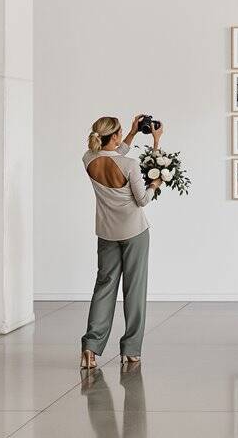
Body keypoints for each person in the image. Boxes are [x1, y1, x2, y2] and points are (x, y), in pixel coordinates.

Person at [81, 115, 163, 369]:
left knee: (103, 288)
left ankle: (90, 349)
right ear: (113, 136)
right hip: (134, 232)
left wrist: (131, 133)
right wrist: (156, 182)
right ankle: (131, 350)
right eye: (119, 135)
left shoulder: (88, 159)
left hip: (106, 233)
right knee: (134, 290)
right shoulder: (130, 164)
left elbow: (111, 156)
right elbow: (142, 200)